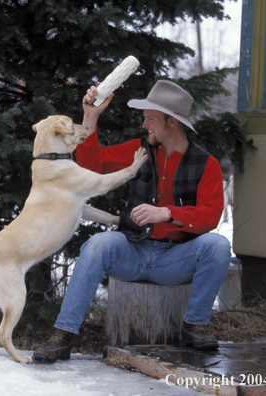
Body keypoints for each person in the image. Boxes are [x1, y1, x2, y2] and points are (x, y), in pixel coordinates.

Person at [32, 80, 231, 363]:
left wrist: (168, 213)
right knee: (98, 244)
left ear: (171, 122)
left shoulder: (205, 163)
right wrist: (91, 116)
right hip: (132, 251)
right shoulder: (138, 150)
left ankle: (194, 325)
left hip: (174, 260)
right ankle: (63, 335)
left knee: (218, 245)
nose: (144, 125)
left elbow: (211, 215)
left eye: (150, 119)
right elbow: (93, 164)